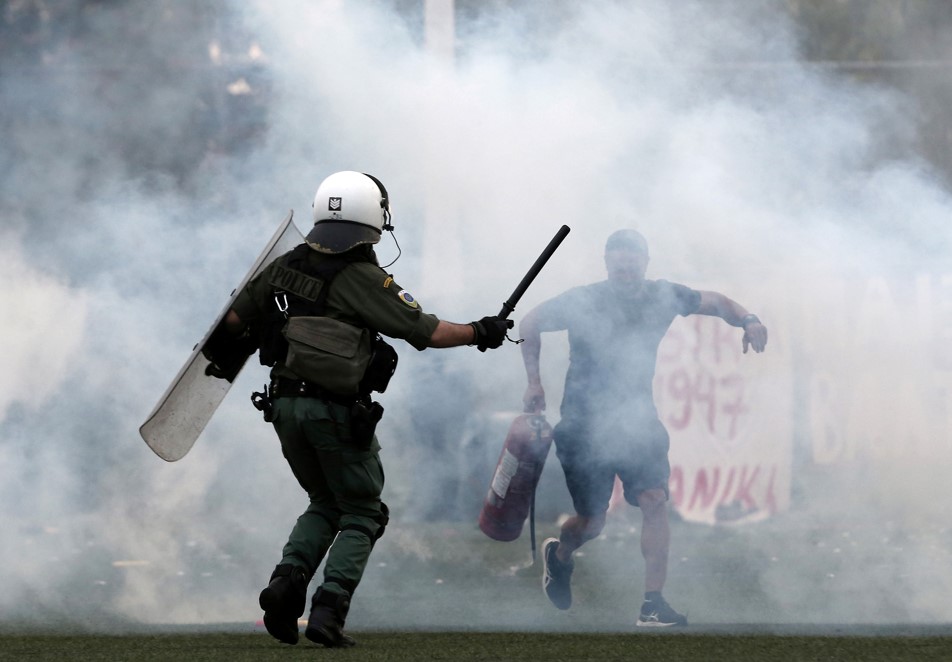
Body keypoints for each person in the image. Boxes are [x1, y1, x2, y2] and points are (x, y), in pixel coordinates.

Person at [217, 171, 513, 647]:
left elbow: (232, 321)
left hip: (283, 408)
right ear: (376, 218)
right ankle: (328, 613)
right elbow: (428, 332)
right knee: (364, 512)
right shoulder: (363, 278)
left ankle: (284, 586)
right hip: (334, 412)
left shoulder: (280, 267)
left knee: (325, 502)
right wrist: (481, 331)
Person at [519, 228, 767, 627]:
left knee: (654, 500)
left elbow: (716, 301)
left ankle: (653, 603)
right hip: (583, 426)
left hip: (637, 422)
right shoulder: (583, 300)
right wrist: (534, 382)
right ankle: (561, 554)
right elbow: (529, 322)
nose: (626, 269)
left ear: (645, 265)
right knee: (592, 523)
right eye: (618, 263)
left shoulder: (661, 295)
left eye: (633, 262)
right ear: (607, 265)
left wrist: (749, 319)